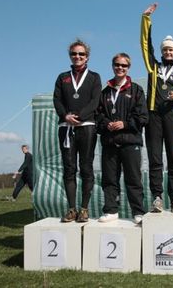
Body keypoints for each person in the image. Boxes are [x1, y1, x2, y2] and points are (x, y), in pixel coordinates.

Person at [141, 3, 173, 213]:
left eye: (171, 49)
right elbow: (145, 45)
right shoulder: (153, 66)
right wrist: (146, 19)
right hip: (153, 117)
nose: (168, 52)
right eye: (165, 49)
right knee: (155, 159)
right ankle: (157, 197)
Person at [53, 39, 102, 223]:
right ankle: (71, 209)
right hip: (66, 127)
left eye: (81, 54)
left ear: (87, 56)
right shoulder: (62, 77)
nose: (78, 57)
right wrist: (65, 116)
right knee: (69, 168)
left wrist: (79, 116)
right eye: (74, 54)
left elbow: (95, 101)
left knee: (86, 168)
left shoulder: (94, 77)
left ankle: (84, 209)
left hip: (86, 126)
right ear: (70, 56)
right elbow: (57, 99)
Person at [97, 53, 148, 224]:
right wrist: (106, 124)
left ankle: (138, 211)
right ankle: (111, 210)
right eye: (117, 65)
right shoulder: (104, 92)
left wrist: (124, 124)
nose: (120, 68)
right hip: (110, 142)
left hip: (130, 141)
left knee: (133, 179)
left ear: (128, 68)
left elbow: (142, 117)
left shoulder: (136, 90)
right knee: (109, 179)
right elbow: (98, 116)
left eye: (124, 66)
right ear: (112, 66)